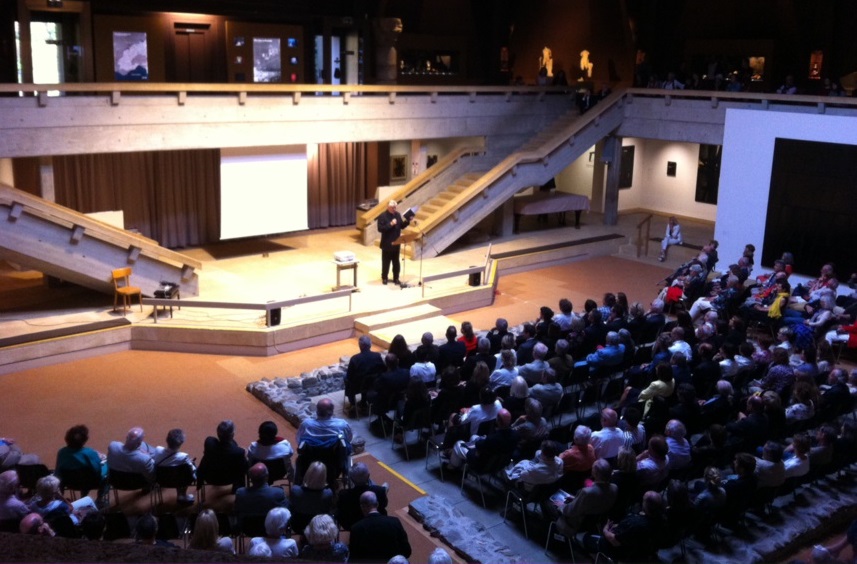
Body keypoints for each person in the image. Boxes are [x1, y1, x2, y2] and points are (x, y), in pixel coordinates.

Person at [555, 459, 618, 535]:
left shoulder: (587, 492)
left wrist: (561, 506)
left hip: (577, 524)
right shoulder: (614, 488)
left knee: (551, 504)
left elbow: (570, 511)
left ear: (595, 473)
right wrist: (576, 499)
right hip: (596, 524)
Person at [349, 490, 412, 562]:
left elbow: (354, 558)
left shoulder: (356, 528)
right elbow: (407, 551)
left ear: (362, 507)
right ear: (377, 504)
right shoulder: (394, 522)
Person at [54, 424, 107, 498]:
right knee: (107, 473)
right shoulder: (89, 452)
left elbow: (58, 471)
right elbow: (97, 470)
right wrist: (103, 459)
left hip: (69, 482)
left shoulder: (61, 452)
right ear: (84, 440)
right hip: (90, 482)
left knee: (82, 474)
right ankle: (100, 498)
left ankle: (84, 495)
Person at [197, 420, 248, 493]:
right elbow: (245, 467)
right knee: (242, 462)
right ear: (232, 435)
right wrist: (243, 452)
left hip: (210, 477)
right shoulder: (239, 452)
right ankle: (237, 488)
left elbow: (213, 440)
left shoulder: (209, 442)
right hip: (231, 478)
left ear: (217, 433)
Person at [336, 461, 388, 530]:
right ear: (368, 476)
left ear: (351, 479)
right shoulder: (379, 491)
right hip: (377, 522)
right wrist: (385, 488)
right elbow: (384, 504)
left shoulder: (343, 495)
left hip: (352, 525)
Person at [153, 428, 196, 504]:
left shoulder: (157, 449)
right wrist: (192, 463)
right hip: (179, 480)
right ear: (181, 443)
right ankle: (182, 495)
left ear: (167, 440)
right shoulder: (184, 456)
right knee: (184, 473)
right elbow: (191, 470)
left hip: (162, 480)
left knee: (178, 471)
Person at [289, 461, 335, 533]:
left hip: (299, 526)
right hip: (320, 527)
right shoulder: (328, 493)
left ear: (307, 474)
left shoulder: (295, 490)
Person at [345, 335, 385, 414]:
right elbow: (383, 369)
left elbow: (349, 375)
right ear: (370, 345)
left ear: (360, 345)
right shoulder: (377, 356)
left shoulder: (355, 359)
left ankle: (353, 403)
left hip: (358, 386)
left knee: (346, 378)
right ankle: (363, 401)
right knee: (366, 379)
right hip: (374, 384)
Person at [377, 199, 411, 286]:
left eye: (395, 207)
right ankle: (384, 277)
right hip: (387, 243)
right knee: (386, 262)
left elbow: (401, 226)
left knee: (396, 262)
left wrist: (407, 221)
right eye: (392, 207)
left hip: (396, 243)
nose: (394, 209)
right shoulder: (382, 216)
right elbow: (380, 229)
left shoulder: (398, 215)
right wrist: (390, 224)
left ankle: (396, 278)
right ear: (388, 207)